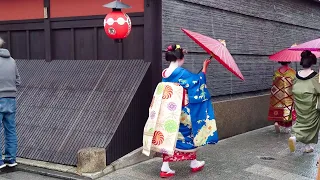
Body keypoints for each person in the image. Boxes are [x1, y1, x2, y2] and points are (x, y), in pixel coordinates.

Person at [144, 44, 218, 178]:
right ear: (180, 58)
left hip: (168, 111)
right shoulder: (181, 72)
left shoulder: (165, 73)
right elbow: (197, 82)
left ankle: (165, 167)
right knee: (189, 133)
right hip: (181, 111)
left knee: (169, 135)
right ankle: (193, 162)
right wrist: (205, 68)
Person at [288, 50, 320, 153]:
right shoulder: (315, 76)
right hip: (311, 103)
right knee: (311, 124)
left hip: (299, 102)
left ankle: (301, 142)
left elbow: (293, 87)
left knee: (301, 121)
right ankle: (301, 142)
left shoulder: (297, 74)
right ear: (312, 62)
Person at [0, 37, 21, 168]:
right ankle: (11, 159)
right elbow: (18, 81)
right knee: (11, 130)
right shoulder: (12, 61)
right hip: (11, 99)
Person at [268, 62, 296, 133]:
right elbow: (295, 82)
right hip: (288, 95)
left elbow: (274, 81)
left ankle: (277, 123)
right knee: (288, 110)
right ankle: (287, 128)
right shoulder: (291, 72)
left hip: (278, 96)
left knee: (278, 109)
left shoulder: (277, 72)